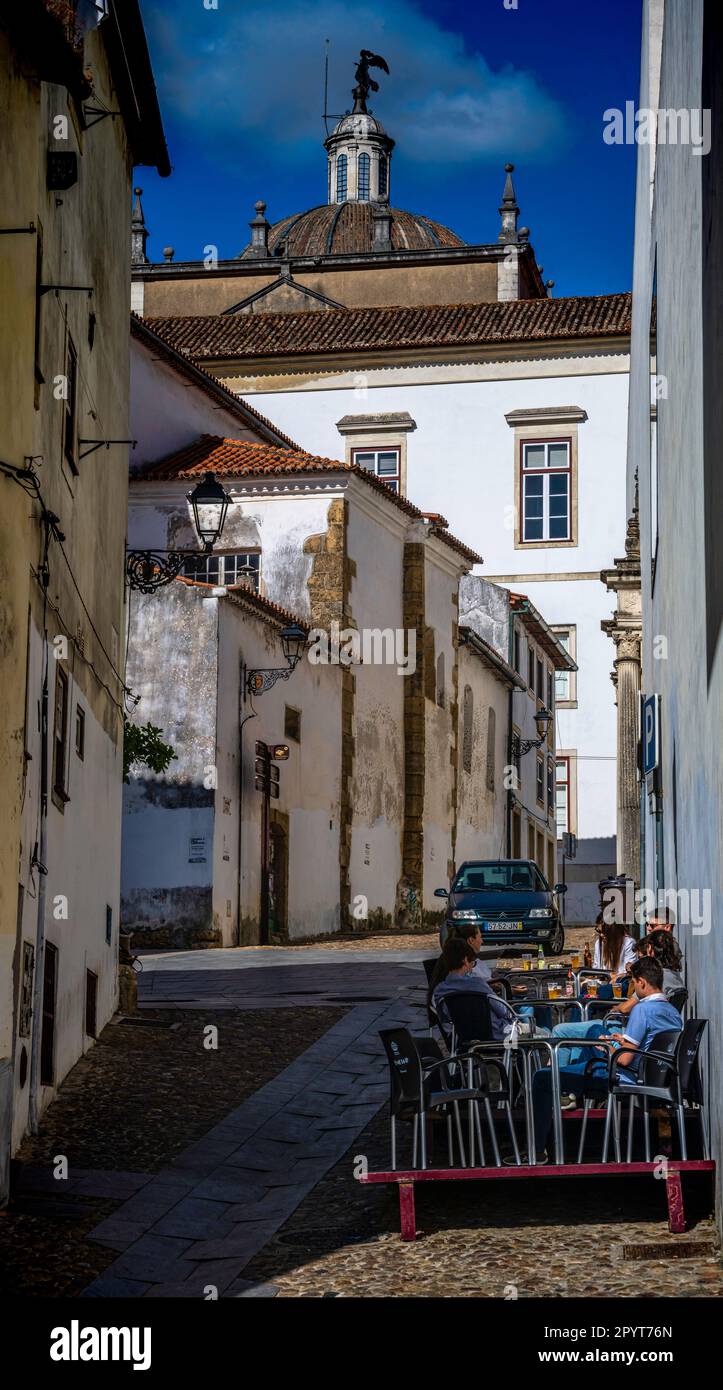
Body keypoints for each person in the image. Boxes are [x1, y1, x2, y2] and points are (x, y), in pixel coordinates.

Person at [519, 957, 683, 1164]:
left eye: (633, 983)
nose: (633, 989)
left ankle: (537, 1150)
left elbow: (624, 1059)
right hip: (654, 1075)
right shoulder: (673, 1012)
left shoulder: (642, 1009)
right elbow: (650, 1044)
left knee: (542, 1078)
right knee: (596, 1033)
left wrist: (610, 1046)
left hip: (624, 1077)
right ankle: (569, 1087)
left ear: (641, 982)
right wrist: (617, 1041)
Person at [432, 938, 516, 1042]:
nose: (472, 967)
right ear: (465, 960)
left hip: (462, 1039)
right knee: (539, 1034)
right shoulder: (477, 984)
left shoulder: (440, 991)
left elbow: (446, 1021)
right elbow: (503, 1011)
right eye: (472, 963)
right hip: (497, 1035)